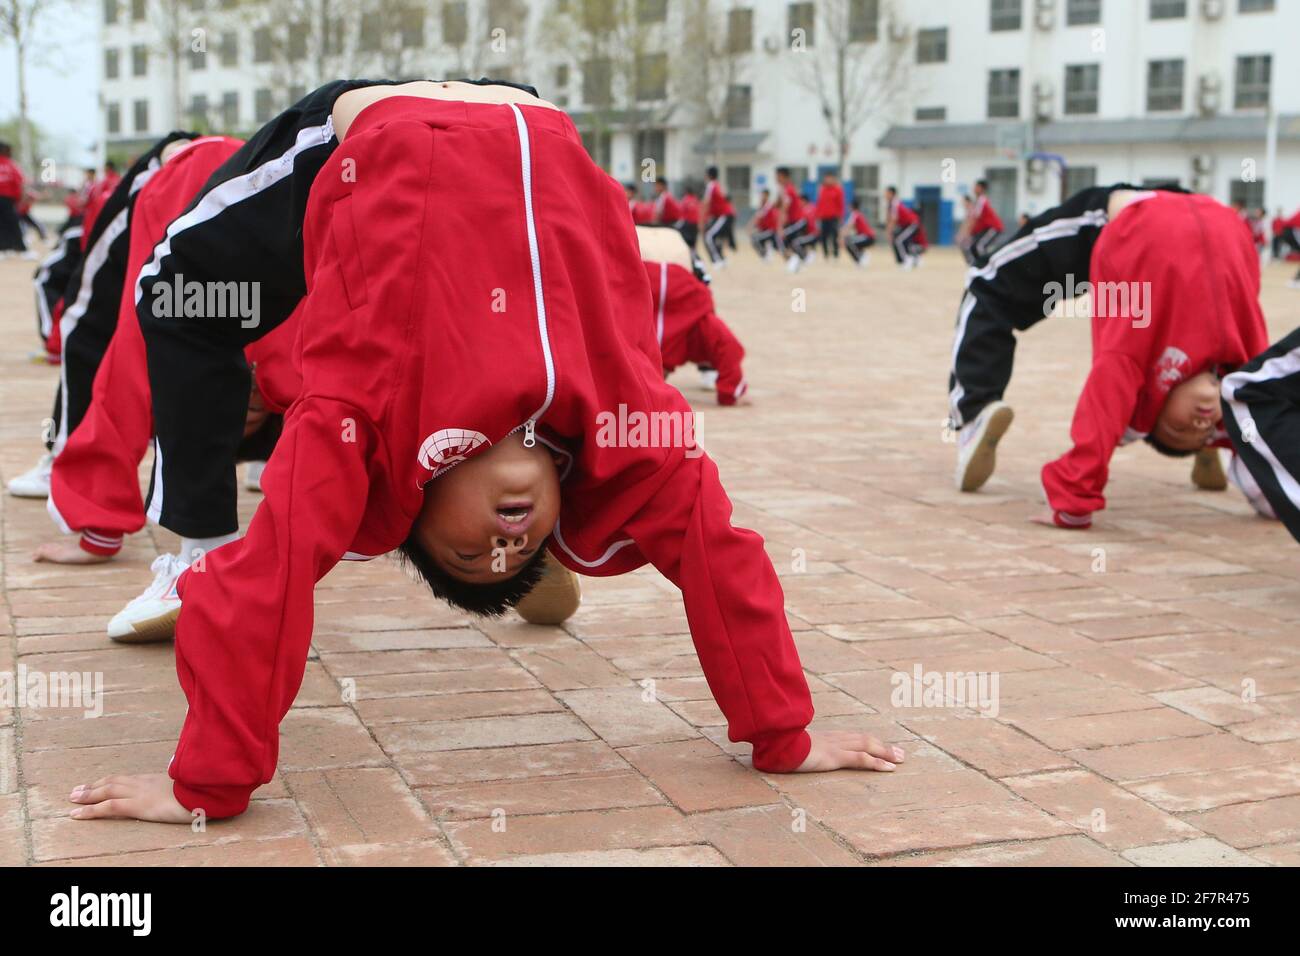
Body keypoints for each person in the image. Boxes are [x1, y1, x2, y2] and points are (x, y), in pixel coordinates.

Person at [67, 80, 904, 825]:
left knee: (172, 294)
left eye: (474, 552)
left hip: (364, 125)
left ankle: (195, 543)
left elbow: (274, 578)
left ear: (411, 504)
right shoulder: (628, 429)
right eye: (522, 551)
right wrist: (783, 735)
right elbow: (723, 562)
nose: (507, 537)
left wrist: (207, 786)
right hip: (535, 115)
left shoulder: (360, 427)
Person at [949, 185, 1269, 531]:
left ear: (1147, 399)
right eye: (1207, 429)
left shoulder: (1134, 357)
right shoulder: (1245, 365)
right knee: (1241, 401)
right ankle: (1221, 443)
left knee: (987, 283)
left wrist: (1072, 501)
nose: (1200, 420)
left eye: (1182, 428)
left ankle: (974, 409)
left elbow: (1106, 406)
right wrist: (1268, 487)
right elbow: (1269, 419)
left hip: (1139, 220)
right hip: (1215, 223)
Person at [7, 131, 197, 500]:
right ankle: (259, 459)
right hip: (217, 256)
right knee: (215, 342)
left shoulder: (130, 185)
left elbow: (87, 310)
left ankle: (62, 461)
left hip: (144, 251)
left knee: (89, 334)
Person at [637, 225, 747, 406]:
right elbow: (728, 346)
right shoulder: (693, 324)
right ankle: (707, 369)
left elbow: (728, 347)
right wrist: (728, 393)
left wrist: (729, 391)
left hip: (659, 261)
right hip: (670, 261)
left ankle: (707, 369)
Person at [957, 179, 1003, 267]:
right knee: (973, 247)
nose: (974, 188)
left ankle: (987, 266)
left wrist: (966, 234)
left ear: (981, 188)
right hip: (984, 229)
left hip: (993, 228)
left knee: (979, 246)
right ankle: (977, 265)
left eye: (976, 187)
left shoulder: (982, 200)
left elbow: (974, 219)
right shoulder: (977, 201)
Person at [775, 166, 811, 273]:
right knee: (788, 241)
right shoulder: (785, 189)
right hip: (794, 221)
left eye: (777, 176)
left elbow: (784, 208)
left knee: (781, 238)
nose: (776, 179)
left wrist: (780, 226)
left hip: (799, 221)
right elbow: (778, 205)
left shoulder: (788, 189)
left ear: (782, 176)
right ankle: (797, 260)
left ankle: (796, 260)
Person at [701, 165, 735, 267]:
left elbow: (706, 203)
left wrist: (702, 220)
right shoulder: (717, 185)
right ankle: (722, 259)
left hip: (724, 215)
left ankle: (717, 261)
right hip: (725, 215)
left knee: (709, 236)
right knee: (716, 238)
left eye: (705, 174)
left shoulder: (711, 185)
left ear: (709, 175)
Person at [0, 141, 29, 255]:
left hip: (7, 199)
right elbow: (21, 183)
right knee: (13, 223)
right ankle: (20, 249)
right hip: (8, 200)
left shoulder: (11, 164)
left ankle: (4, 248)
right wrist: (23, 198)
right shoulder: (11, 165)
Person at [884, 186, 922, 270]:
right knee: (900, 240)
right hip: (905, 225)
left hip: (912, 224)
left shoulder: (895, 203)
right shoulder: (890, 204)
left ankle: (907, 261)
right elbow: (888, 218)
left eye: (886, 193)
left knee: (899, 240)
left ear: (891, 194)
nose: (885, 195)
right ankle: (915, 259)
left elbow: (894, 219)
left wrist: (889, 232)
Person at [813, 171, 845, 260]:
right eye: (826, 178)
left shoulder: (838, 189)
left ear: (833, 179)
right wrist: (817, 215)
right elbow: (819, 203)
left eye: (830, 178)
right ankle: (826, 254)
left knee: (834, 236)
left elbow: (840, 204)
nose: (828, 180)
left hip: (834, 217)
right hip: (823, 217)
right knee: (823, 237)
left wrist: (840, 216)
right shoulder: (822, 189)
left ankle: (835, 254)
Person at [841, 197, 875, 268]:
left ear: (852, 206)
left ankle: (861, 258)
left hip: (867, 237)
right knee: (850, 240)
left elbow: (848, 227)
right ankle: (862, 256)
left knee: (848, 241)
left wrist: (841, 238)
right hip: (868, 237)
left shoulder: (855, 214)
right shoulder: (858, 214)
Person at [749, 187, 779, 260]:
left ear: (767, 196)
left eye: (764, 195)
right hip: (765, 230)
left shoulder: (768, 205)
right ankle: (766, 253)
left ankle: (766, 255)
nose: (762, 197)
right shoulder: (763, 205)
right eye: (761, 195)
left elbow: (758, 217)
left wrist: (750, 226)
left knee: (755, 238)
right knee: (756, 239)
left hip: (771, 230)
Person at [679, 185, 701, 251]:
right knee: (693, 244)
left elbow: (681, 212)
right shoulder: (696, 199)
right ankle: (695, 257)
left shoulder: (685, 199)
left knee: (686, 242)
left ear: (686, 192)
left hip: (687, 224)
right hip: (695, 224)